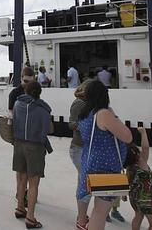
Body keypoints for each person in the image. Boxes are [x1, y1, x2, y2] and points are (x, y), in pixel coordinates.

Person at [77, 80, 132, 230]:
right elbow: (127, 137)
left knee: (98, 209)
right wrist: (115, 116)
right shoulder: (103, 114)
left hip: (90, 161)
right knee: (100, 212)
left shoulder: (85, 113)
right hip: (106, 166)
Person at [12, 81, 54, 228]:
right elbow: (50, 129)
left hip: (18, 144)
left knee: (21, 178)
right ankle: (30, 217)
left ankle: (20, 207)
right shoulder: (43, 109)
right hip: (35, 146)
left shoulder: (17, 104)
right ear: (39, 92)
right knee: (33, 182)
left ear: (26, 90)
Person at [124, 127, 152, 230]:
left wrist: (124, 195)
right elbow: (146, 148)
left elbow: (127, 182)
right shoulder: (141, 163)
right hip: (146, 199)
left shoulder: (130, 168)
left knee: (138, 216)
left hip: (135, 198)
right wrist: (143, 133)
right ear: (137, 154)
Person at [69, 81, 91, 230]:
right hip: (79, 148)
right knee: (86, 181)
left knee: (84, 180)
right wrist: (89, 125)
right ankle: (81, 218)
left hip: (85, 148)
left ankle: (82, 214)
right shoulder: (79, 104)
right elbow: (72, 124)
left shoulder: (90, 103)